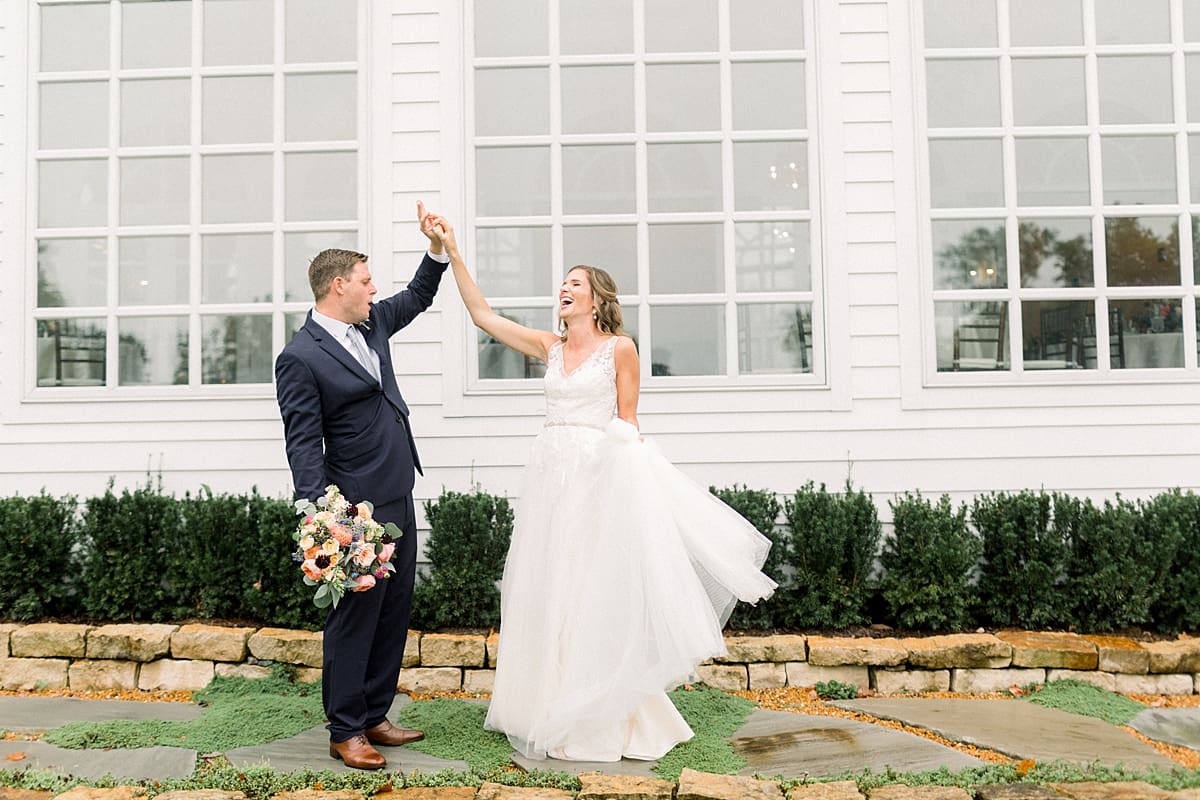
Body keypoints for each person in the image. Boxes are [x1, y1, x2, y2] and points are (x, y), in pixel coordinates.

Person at [428, 214, 777, 763]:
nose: (563, 290)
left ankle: (598, 706)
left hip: (596, 480)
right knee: (551, 585)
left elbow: (629, 424)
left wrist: (624, 493)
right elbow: (482, 314)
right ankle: (545, 703)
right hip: (549, 479)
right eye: (562, 284)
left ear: (594, 301)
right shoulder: (548, 346)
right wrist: (450, 250)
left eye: (575, 284)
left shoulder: (620, 349)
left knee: (591, 588)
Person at [274, 203, 448, 771]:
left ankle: (375, 714)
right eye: (367, 280)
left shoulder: (370, 323)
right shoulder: (299, 357)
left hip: (398, 488)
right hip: (353, 508)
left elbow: (418, 296)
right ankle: (345, 729)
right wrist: (323, 514)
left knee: (394, 609)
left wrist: (436, 249)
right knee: (355, 617)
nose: (376, 289)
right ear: (338, 285)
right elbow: (303, 441)